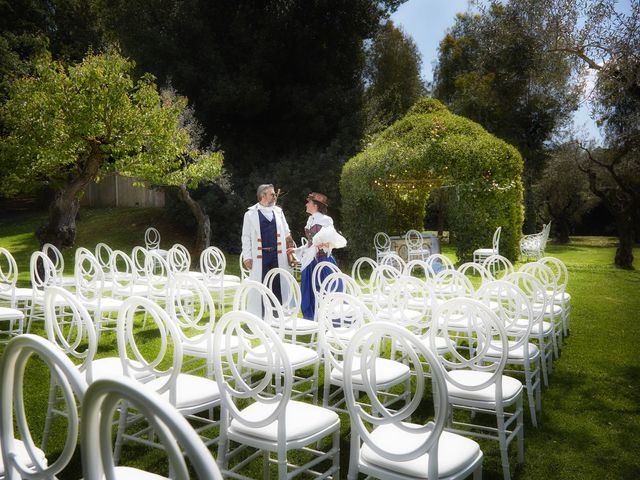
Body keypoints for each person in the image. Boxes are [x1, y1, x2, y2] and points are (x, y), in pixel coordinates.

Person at [241, 184, 295, 316]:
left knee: (278, 283)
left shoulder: (278, 212)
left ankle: (279, 316)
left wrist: (292, 250)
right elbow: (246, 237)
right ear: (263, 195)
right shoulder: (250, 214)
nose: (275, 196)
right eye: (272, 194)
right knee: (261, 285)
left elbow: (287, 232)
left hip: (278, 255)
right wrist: (247, 257)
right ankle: (259, 315)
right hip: (260, 257)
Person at [290, 192, 344, 320]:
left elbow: (333, 239)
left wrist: (325, 244)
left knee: (326, 289)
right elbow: (310, 244)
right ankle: (313, 318)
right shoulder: (310, 220)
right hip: (311, 261)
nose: (306, 204)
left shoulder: (326, 220)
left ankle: (331, 318)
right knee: (310, 289)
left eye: (308, 202)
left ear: (315, 205)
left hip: (323, 260)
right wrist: (296, 250)